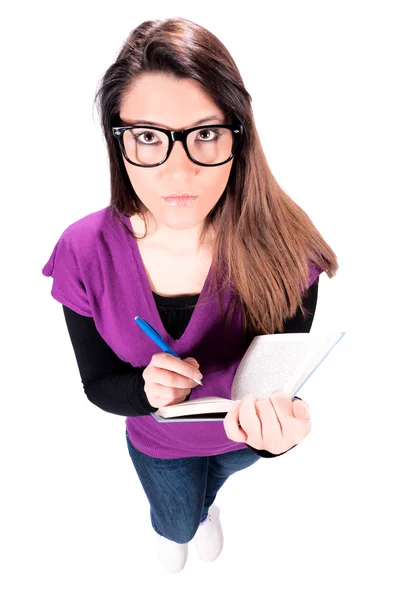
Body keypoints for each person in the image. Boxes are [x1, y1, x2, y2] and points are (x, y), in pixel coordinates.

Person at [41, 17, 339, 574]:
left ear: (237, 135)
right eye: (150, 136)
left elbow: (277, 381)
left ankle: (205, 505)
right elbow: (98, 384)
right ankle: (188, 518)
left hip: (238, 443)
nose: (178, 170)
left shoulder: (289, 248)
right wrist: (146, 390)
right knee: (177, 525)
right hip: (160, 443)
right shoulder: (83, 250)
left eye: (204, 133)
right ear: (119, 141)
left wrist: (279, 439)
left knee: (213, 486)